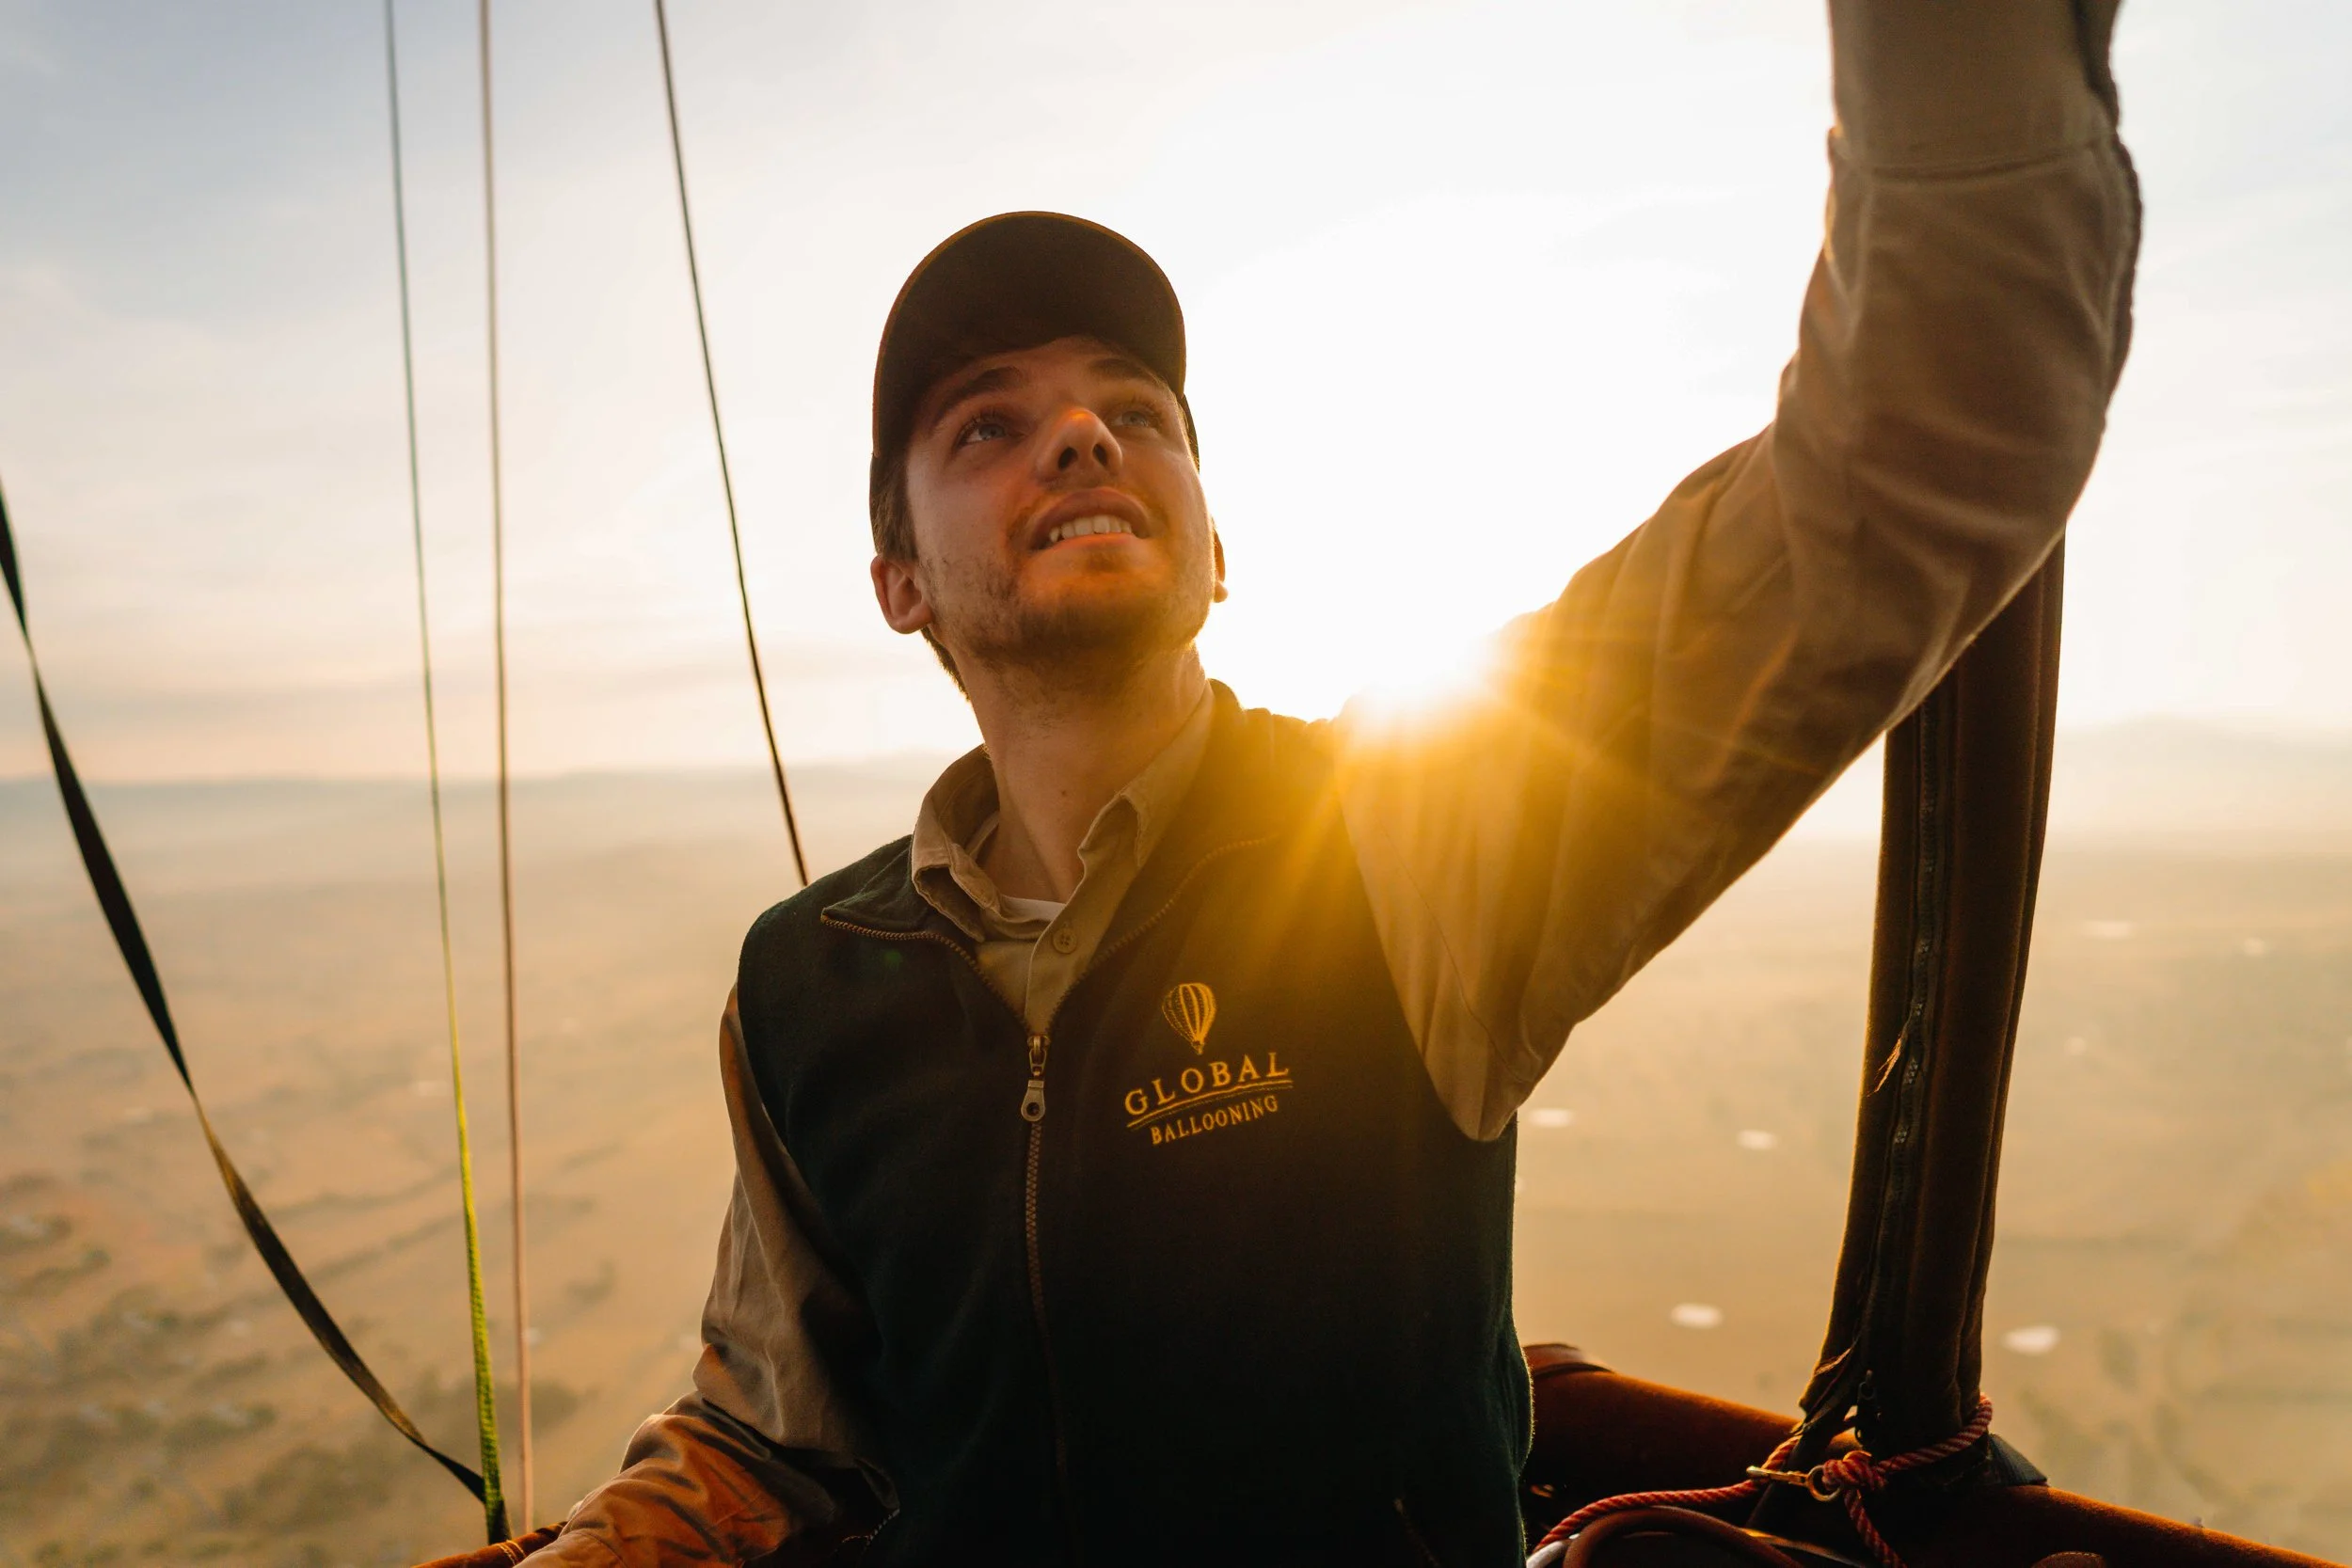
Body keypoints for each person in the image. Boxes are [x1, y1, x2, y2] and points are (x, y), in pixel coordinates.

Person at [533, 2, 2137, 1562]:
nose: (1081, 432)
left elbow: (1920, 437)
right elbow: (768, 1437)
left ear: (1216, 548)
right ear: (900, 584)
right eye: (985, 427)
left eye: (1136, 409)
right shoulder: (808, 985)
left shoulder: (1407, 831)